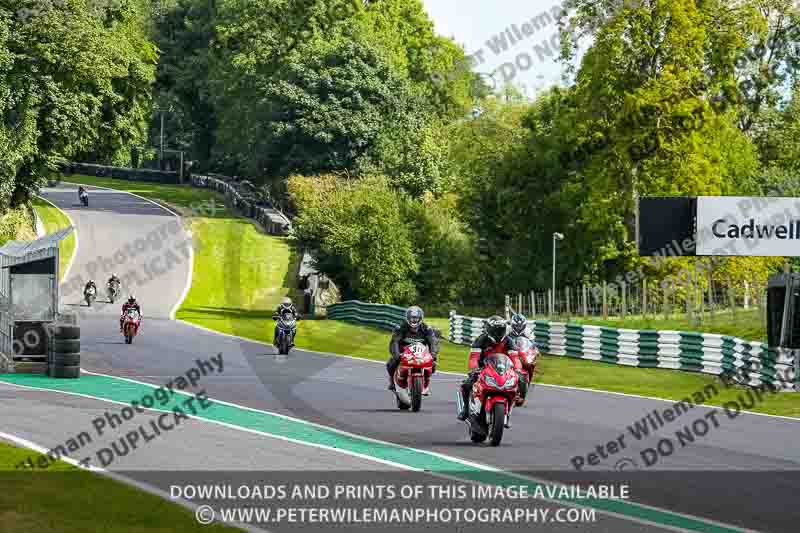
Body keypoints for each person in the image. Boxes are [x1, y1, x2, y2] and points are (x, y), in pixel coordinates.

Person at [457, 315, 511, 421]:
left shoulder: (508, 340)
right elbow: (474, 357)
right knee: (466, 385)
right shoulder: (481, 339)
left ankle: (509, 408)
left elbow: (515, 357)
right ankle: (466, 409)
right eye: (496, 330)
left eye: (500, 330)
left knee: (517, 383)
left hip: (503, 369)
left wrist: (517, 369)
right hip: (483, 369)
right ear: (490, 329)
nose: (498, 332)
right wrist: (474, 369)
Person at [386, 306, 439, 393]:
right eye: (412, 318)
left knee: (433, 364)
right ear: (408, 318)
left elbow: (433, 342)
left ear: (420, 318)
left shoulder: (427, 329)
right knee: (391, 363)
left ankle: (425, 384)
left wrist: (433, 354)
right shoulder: (401, 328)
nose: (414, 320)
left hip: (420, 353)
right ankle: (392, 381)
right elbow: (395, 342)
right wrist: (396, 354)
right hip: (403, 352)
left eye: (416, 318)